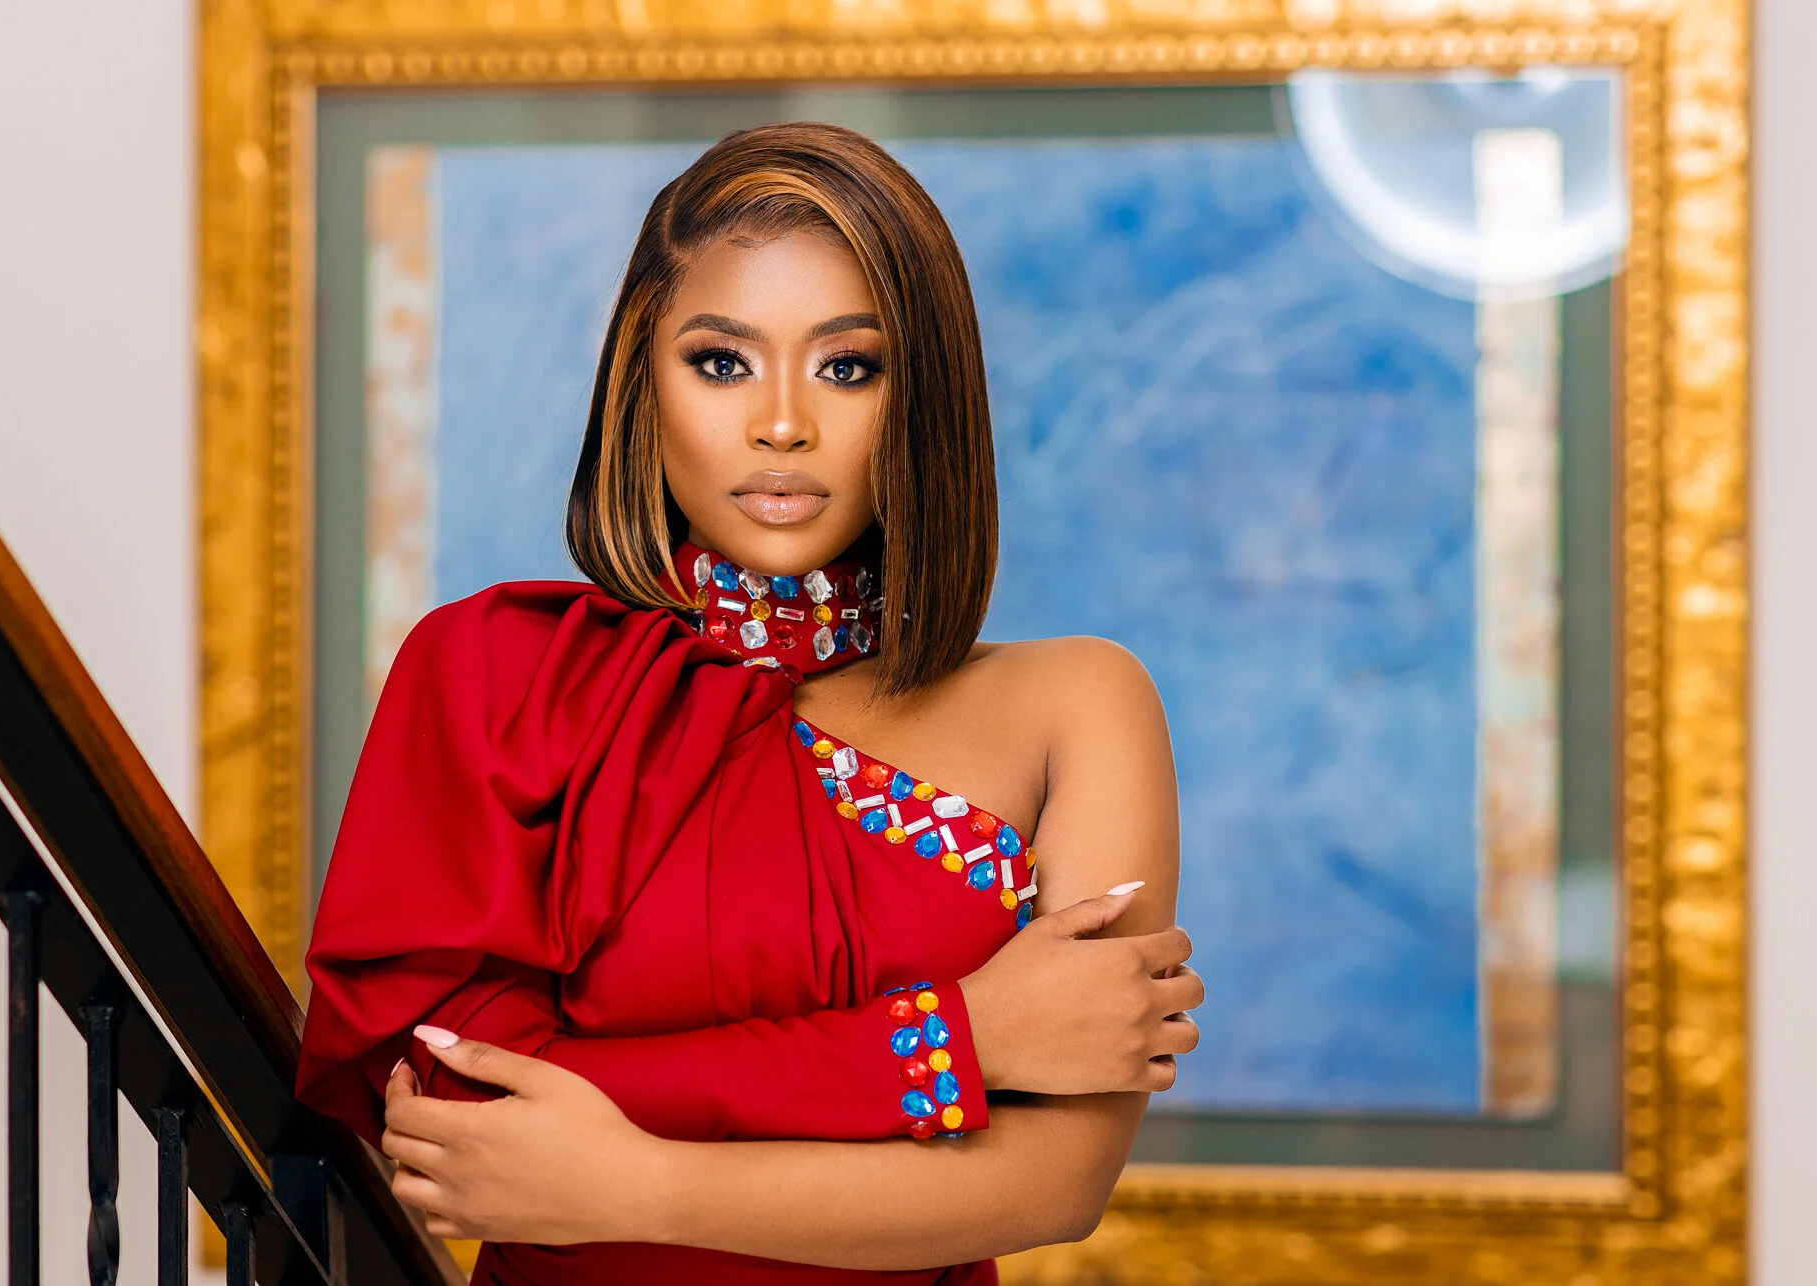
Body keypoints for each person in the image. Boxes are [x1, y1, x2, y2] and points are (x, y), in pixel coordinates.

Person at [296, 121, 1201, 1285]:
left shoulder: (1078, 704)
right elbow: (460, 1110)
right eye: (722, 362)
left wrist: (635, 1179)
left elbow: (1053, 1183)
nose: (783, 422)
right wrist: (953, 1039)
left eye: (848, 366)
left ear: (923, 397)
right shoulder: (493, 671)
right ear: (643, 381)